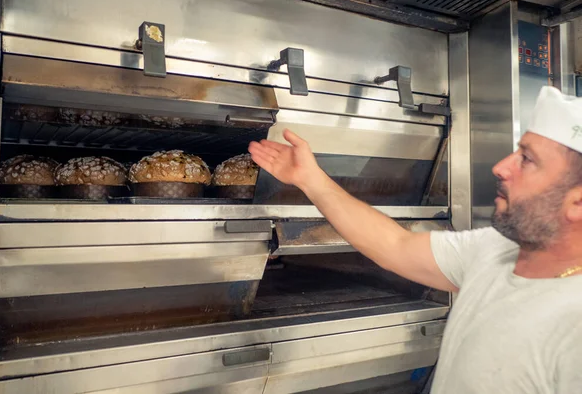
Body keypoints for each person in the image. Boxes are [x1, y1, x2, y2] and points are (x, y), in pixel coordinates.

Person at [248, 86, 582, 394]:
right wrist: (312, 180)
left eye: (527, 159)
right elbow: (395, 244)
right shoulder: (496, 251)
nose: (500, 167)